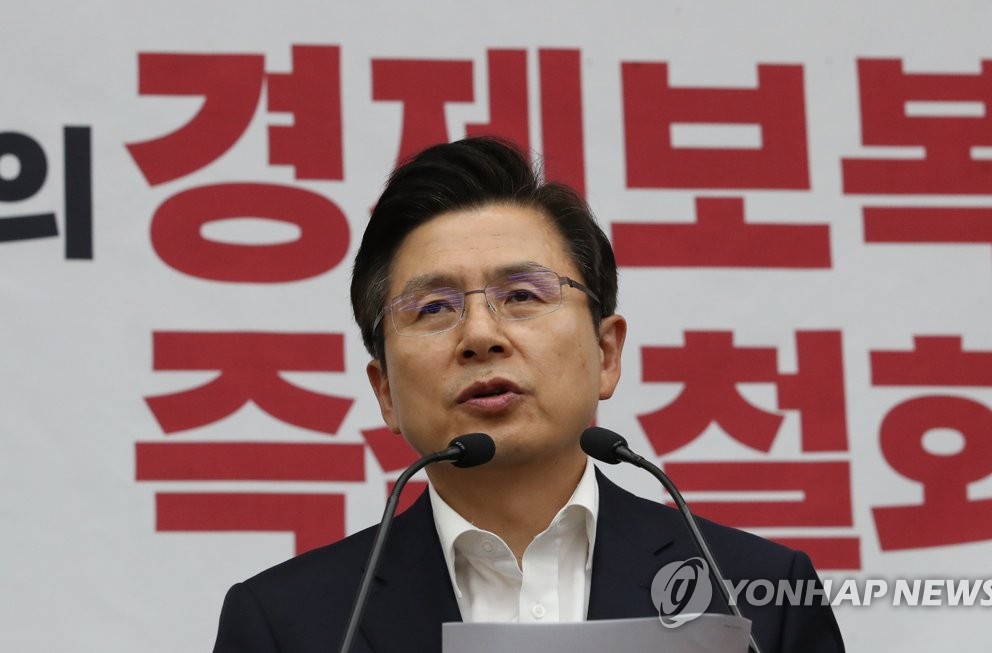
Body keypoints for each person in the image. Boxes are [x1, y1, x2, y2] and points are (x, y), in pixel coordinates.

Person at [212, 137, 845, 652]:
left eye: (521, 296)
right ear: (384, 391)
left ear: (606, 354)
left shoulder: (757, 592)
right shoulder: (287, 623)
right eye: (433, 308)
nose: (480, 336)